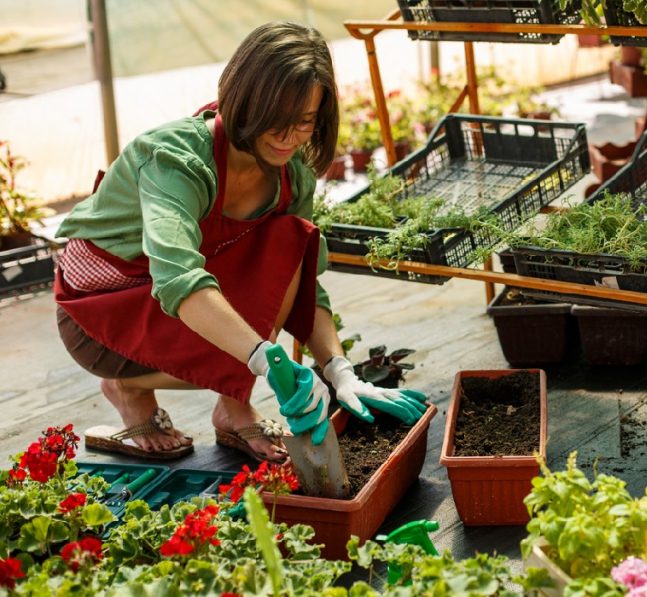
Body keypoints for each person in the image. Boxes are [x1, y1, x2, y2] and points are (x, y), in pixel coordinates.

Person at [53, 22, 427, 463]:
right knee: (245, 338)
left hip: (173, 309)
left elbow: (303, 284)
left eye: (305, 122)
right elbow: (177, 278)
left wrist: (338, 369)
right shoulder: (176, 159)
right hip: (102, 316)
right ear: (244, 99)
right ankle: (128, 386)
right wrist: (264, 360)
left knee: (291, 242)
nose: (290, 138)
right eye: (277, 121)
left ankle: (232, 407)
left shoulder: (291, 178)